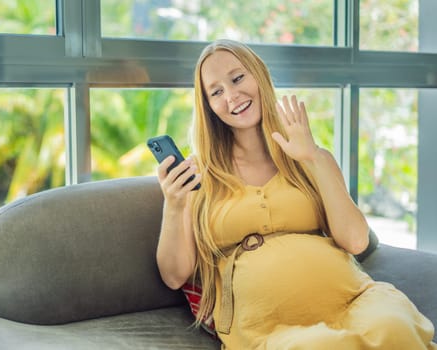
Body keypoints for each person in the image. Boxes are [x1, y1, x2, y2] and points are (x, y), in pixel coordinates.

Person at [155, 39, 436, 349]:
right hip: (268, 325)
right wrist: (174, 204)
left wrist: (314, 157)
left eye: (237, 78)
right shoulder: (201, 177)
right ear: (208, 105)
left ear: (259, 76)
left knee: (394, 328)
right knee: (323, 346)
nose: (232, 96)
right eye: (216, 92)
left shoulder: (314, 158)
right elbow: (174, 275)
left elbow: (356, 241)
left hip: (352, 298)